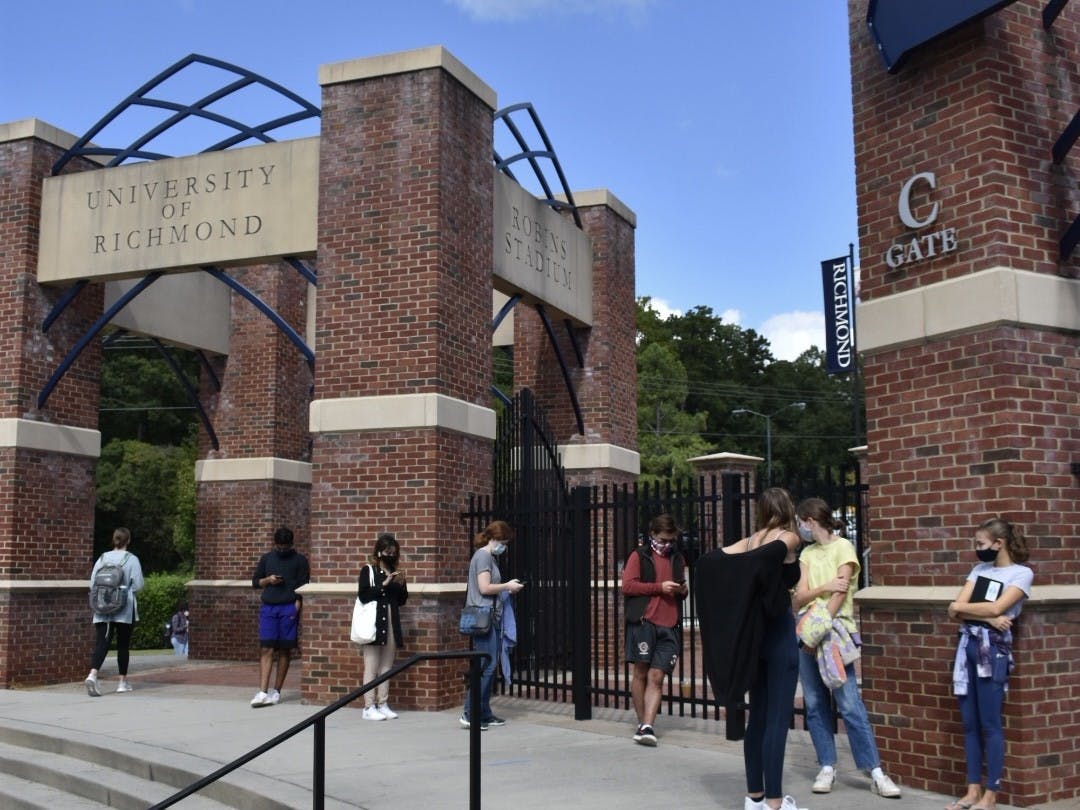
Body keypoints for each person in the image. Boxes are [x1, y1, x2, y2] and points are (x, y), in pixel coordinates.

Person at [696, 487, 807, 810]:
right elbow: (766, 558)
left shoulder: (749, 541)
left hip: (756, 638)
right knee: (775, 719)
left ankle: (754, 797)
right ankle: (773, 801)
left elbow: (709, 561)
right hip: (778, 635)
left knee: (757, 717)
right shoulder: (788, 538)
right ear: (787, 507)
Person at [792, 498, 901, 799]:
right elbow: (799, 597)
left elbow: (840, 595)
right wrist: (823, 587)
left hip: (833, 634)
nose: (800, 528)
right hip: (807, 633)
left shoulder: (843, 548)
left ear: (810, 521)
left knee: (850, 703)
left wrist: (815, 631)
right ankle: (827, 765)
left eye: (801, 523)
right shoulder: (807, 553)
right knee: (814, 704)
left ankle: (875, 771)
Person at [944, 518, 1033, 810]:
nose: (977, 550)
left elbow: (992, 607)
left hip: (992, 651)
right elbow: (953, 608)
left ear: (999, 543)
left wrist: (976, 611)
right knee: (969, 723)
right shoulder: (979, 569)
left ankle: (990, 795)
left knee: (990, 723)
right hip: (967, 646)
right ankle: (972, 791)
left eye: (981, 544)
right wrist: (987, 617)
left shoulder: (1021, 574)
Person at [620, 513, 688, 747]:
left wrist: (681, 590)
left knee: (657, 676)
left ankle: (647, 724)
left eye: (671, 540)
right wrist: (659, 587)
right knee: (641, 672)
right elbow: (628, 586)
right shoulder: (639, 556)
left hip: (670, 624)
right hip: (644, 621)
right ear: (652, 535)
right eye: (663, 539)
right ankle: (644, 724)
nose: (667, 544)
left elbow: (682, 587)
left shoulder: (677, 558)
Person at [460, 520, 523, 731]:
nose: (504, 547)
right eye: (504, 542)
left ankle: (484, 713)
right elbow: (485, 588)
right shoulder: (483, 556)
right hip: (483, 616)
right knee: (485, 667)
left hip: (488, 617)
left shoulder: (488, 557)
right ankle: (470, 713)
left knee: (488, 666)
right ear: (496, 538)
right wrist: (508, 586)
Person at [250, 526, 310, 708]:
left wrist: (297, 605)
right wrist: (268, 580)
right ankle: (262, 692)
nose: (282, 549)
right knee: (266, 648)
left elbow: (304, 584)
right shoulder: (267, 558)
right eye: (279, 546)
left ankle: (277, 691)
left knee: (285, 650)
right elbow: (255, 582)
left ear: (291, 544)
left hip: (288, 607)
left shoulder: (300, 560)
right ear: (274, 544)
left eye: (285, 547)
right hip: (269, 607)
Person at [85, 527, 145, 696]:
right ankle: (122, 682)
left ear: (114, 539)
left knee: (102, 643)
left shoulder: (102, 558)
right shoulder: (131, 559)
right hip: (124, 609)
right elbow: (139, 585)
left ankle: (93, 674)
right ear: (128, 540)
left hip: (102, 608)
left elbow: (92, 584)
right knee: (123, 646)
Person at [357, 532, 409, 721]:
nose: (391, 555)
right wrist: (384, 585)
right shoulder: (369, 571)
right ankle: (368, 706)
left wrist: (402, 585)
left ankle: (383, 703)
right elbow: (363, 595)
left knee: (387, 666)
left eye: (394, 552)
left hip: (391, 621)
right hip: (374, 622)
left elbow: (402, 601)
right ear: (379, 552)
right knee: (371, 666)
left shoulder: (396, 572)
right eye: (387, 552)